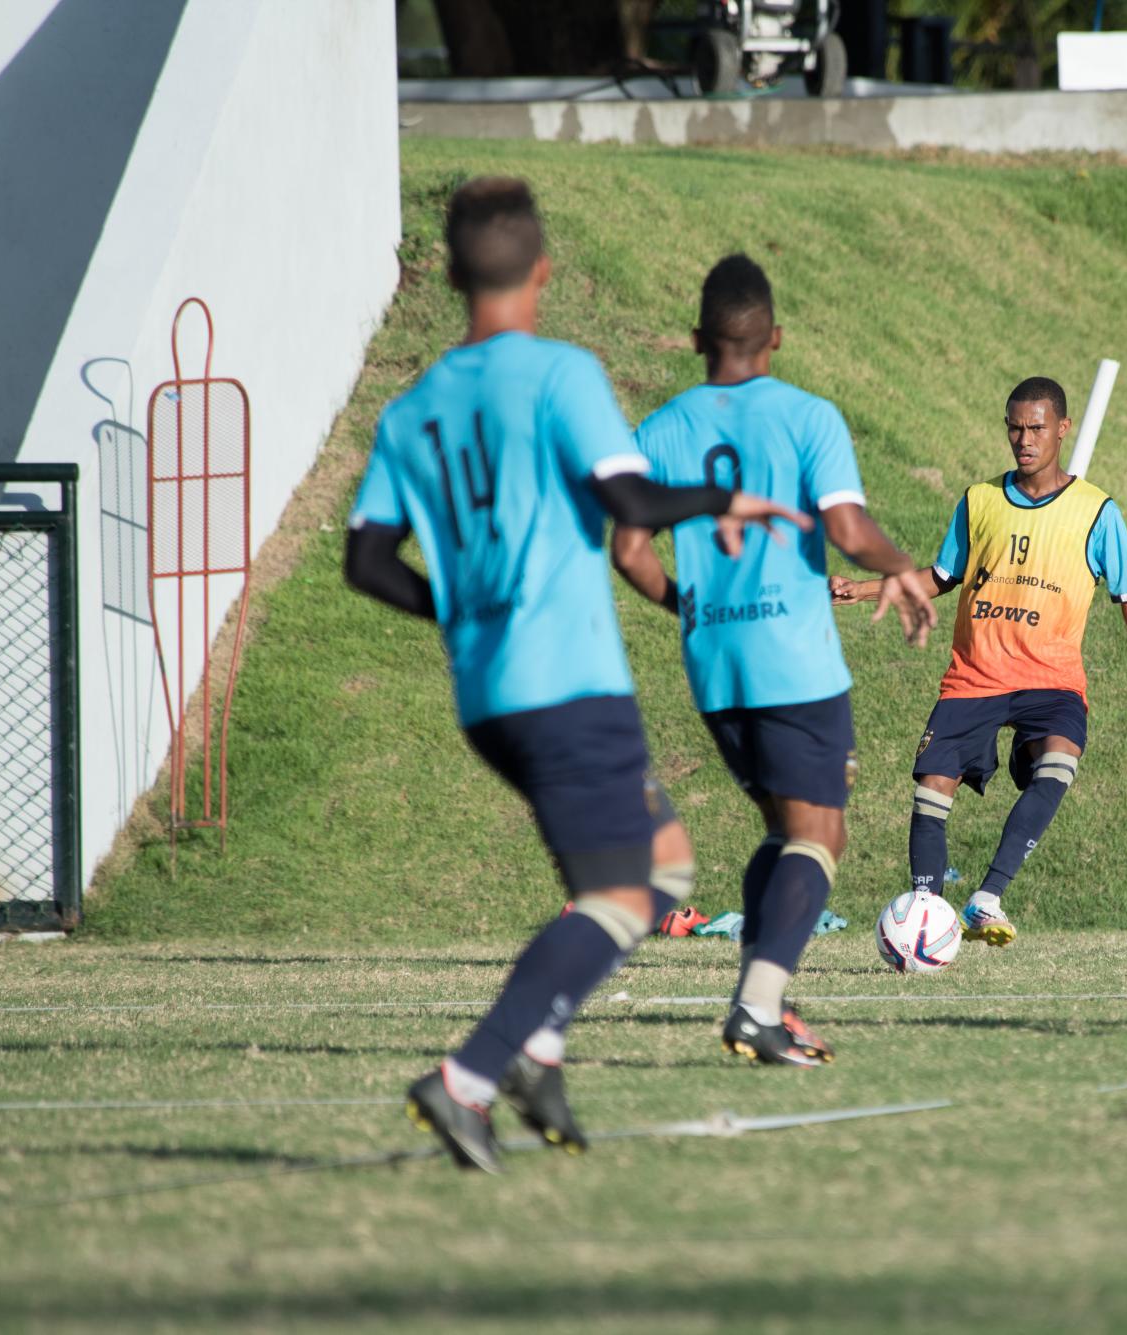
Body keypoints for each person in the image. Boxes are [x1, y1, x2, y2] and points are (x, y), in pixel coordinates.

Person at [344, 179, 805, 1171]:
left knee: (663, 863)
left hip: (489, 697)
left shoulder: (411, 409)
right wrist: (722, 497)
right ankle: (471, 1075)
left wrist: (456, 612)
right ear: (543, 271)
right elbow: (630, 498)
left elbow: (367, 561)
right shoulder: (559, 373)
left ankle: (540, 1056)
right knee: (622, 898)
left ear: (451, 275)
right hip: (566, 684)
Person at [614, 253, 934, 1067]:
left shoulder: (660, 428)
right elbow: (849, 529)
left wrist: (684, 605)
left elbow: (628, 548)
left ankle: (765, 998)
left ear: (697, 338)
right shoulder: (808, 416)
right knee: (822, 832)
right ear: (776, 337)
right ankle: (756, 1009)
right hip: (793, 655)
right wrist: (899, 565)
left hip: (714, 658)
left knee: (783, 830)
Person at [833, 377, 1127, 949]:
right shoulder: (979, 501)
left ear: (1062, 429)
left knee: (1058, 763)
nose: (1024, 439)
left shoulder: (1097, 512)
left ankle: (987, 899)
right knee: (931, 790)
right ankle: (927, 918)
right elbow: (941, 576)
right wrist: (861, 589)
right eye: (1014, 427)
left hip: (1051, 680)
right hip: (975, 676)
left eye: (1036, 428)